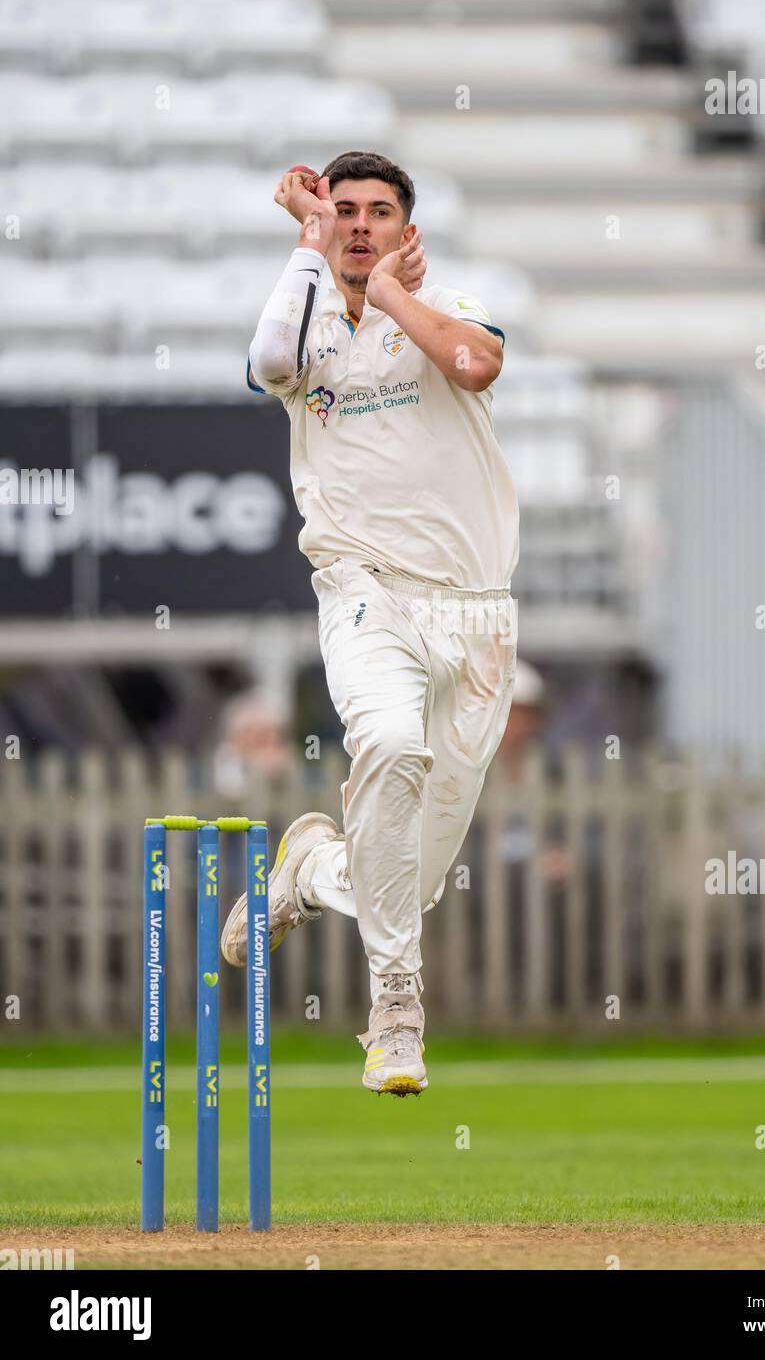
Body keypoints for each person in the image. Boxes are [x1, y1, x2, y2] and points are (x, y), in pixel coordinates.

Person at [220, 152, 520, 1097]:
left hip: (474, 615)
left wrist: (392, 298)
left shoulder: (449, 308)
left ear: (406, 230)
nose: (358, 224)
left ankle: (311, 873)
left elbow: (474, 365)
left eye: (377, 212)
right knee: (387, 741)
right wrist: (308, 250)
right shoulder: (302, 321)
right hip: (362, 588)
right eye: (341, 210)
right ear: (321, 225)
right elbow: (269, 362)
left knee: (407, 880)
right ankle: (395, 1006)